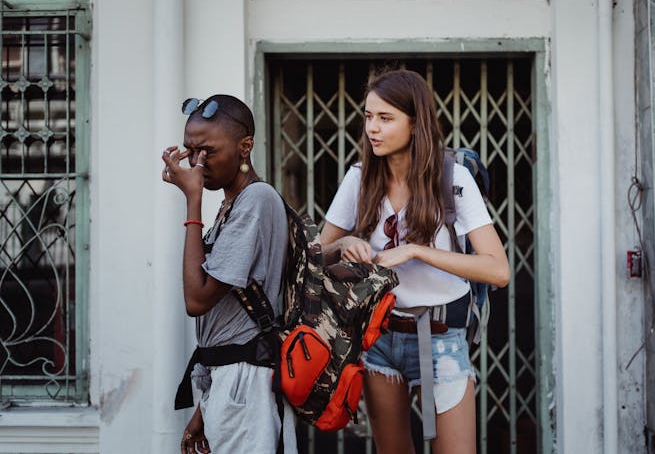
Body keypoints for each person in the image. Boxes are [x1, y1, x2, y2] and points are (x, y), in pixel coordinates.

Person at [320, 70, 510, 454]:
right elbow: (317, 255)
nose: (373, 128)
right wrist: (346, 244)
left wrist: (417, 250)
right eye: (368, 116)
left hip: (441, 337)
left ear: (415, 123)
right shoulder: (358, 178)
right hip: (379, 338)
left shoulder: (452, 178)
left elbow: (498, 270)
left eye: (385, 118)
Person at [161, 95, 297, 454]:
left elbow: (197, 299)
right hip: (229, 379)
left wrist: (192, 201)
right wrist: (203, 409)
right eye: (191, 152)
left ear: (245, 147)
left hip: (245, 381)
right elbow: (226, 316)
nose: (196, 163)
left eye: (206, 151)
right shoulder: (232, 203)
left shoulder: (257, 200)